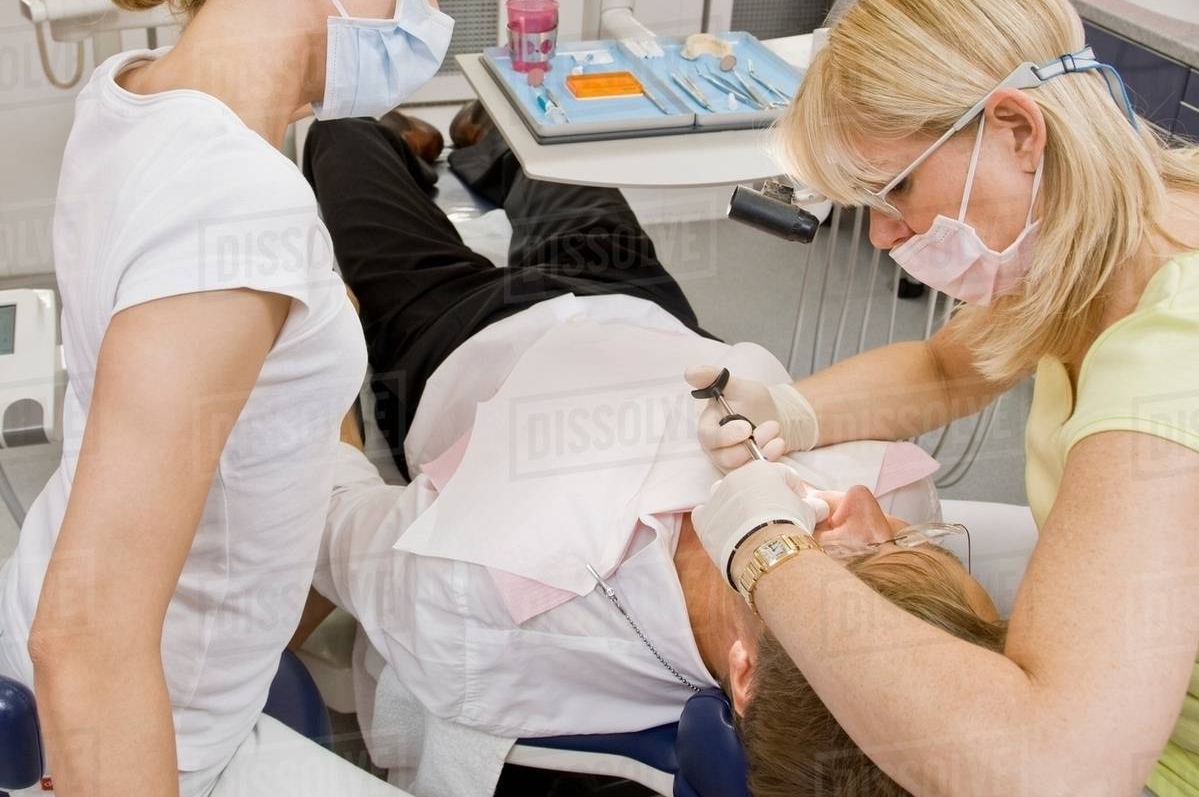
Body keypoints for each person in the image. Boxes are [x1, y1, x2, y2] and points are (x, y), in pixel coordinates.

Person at [0, 0, 525, 797]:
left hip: (176, 683)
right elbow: (86, 638)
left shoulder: (149, 88)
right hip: (153, 740)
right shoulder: (234, 199)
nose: (427, 23)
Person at [293, 110, 1004, 794]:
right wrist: (788, 412)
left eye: (858, 559)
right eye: (914, 541)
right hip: (646, 312)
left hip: (460, 331)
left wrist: (330, 356)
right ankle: (485, 142)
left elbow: (333, 507)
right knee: (558, 161)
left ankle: (406, 141)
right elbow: (947, 372)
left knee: (342, 141)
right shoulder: (898, 503)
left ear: (746, 675)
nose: (863, 506)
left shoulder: (484, 590)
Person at [687, 0, 1199, 797]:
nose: (882, 236)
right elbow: (948, 368)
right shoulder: (1120, 226)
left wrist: (767, 552)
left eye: (896, 192)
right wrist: (784, 410)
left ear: (1018, 132)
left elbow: (1054, 769)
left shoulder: (1174, 350)